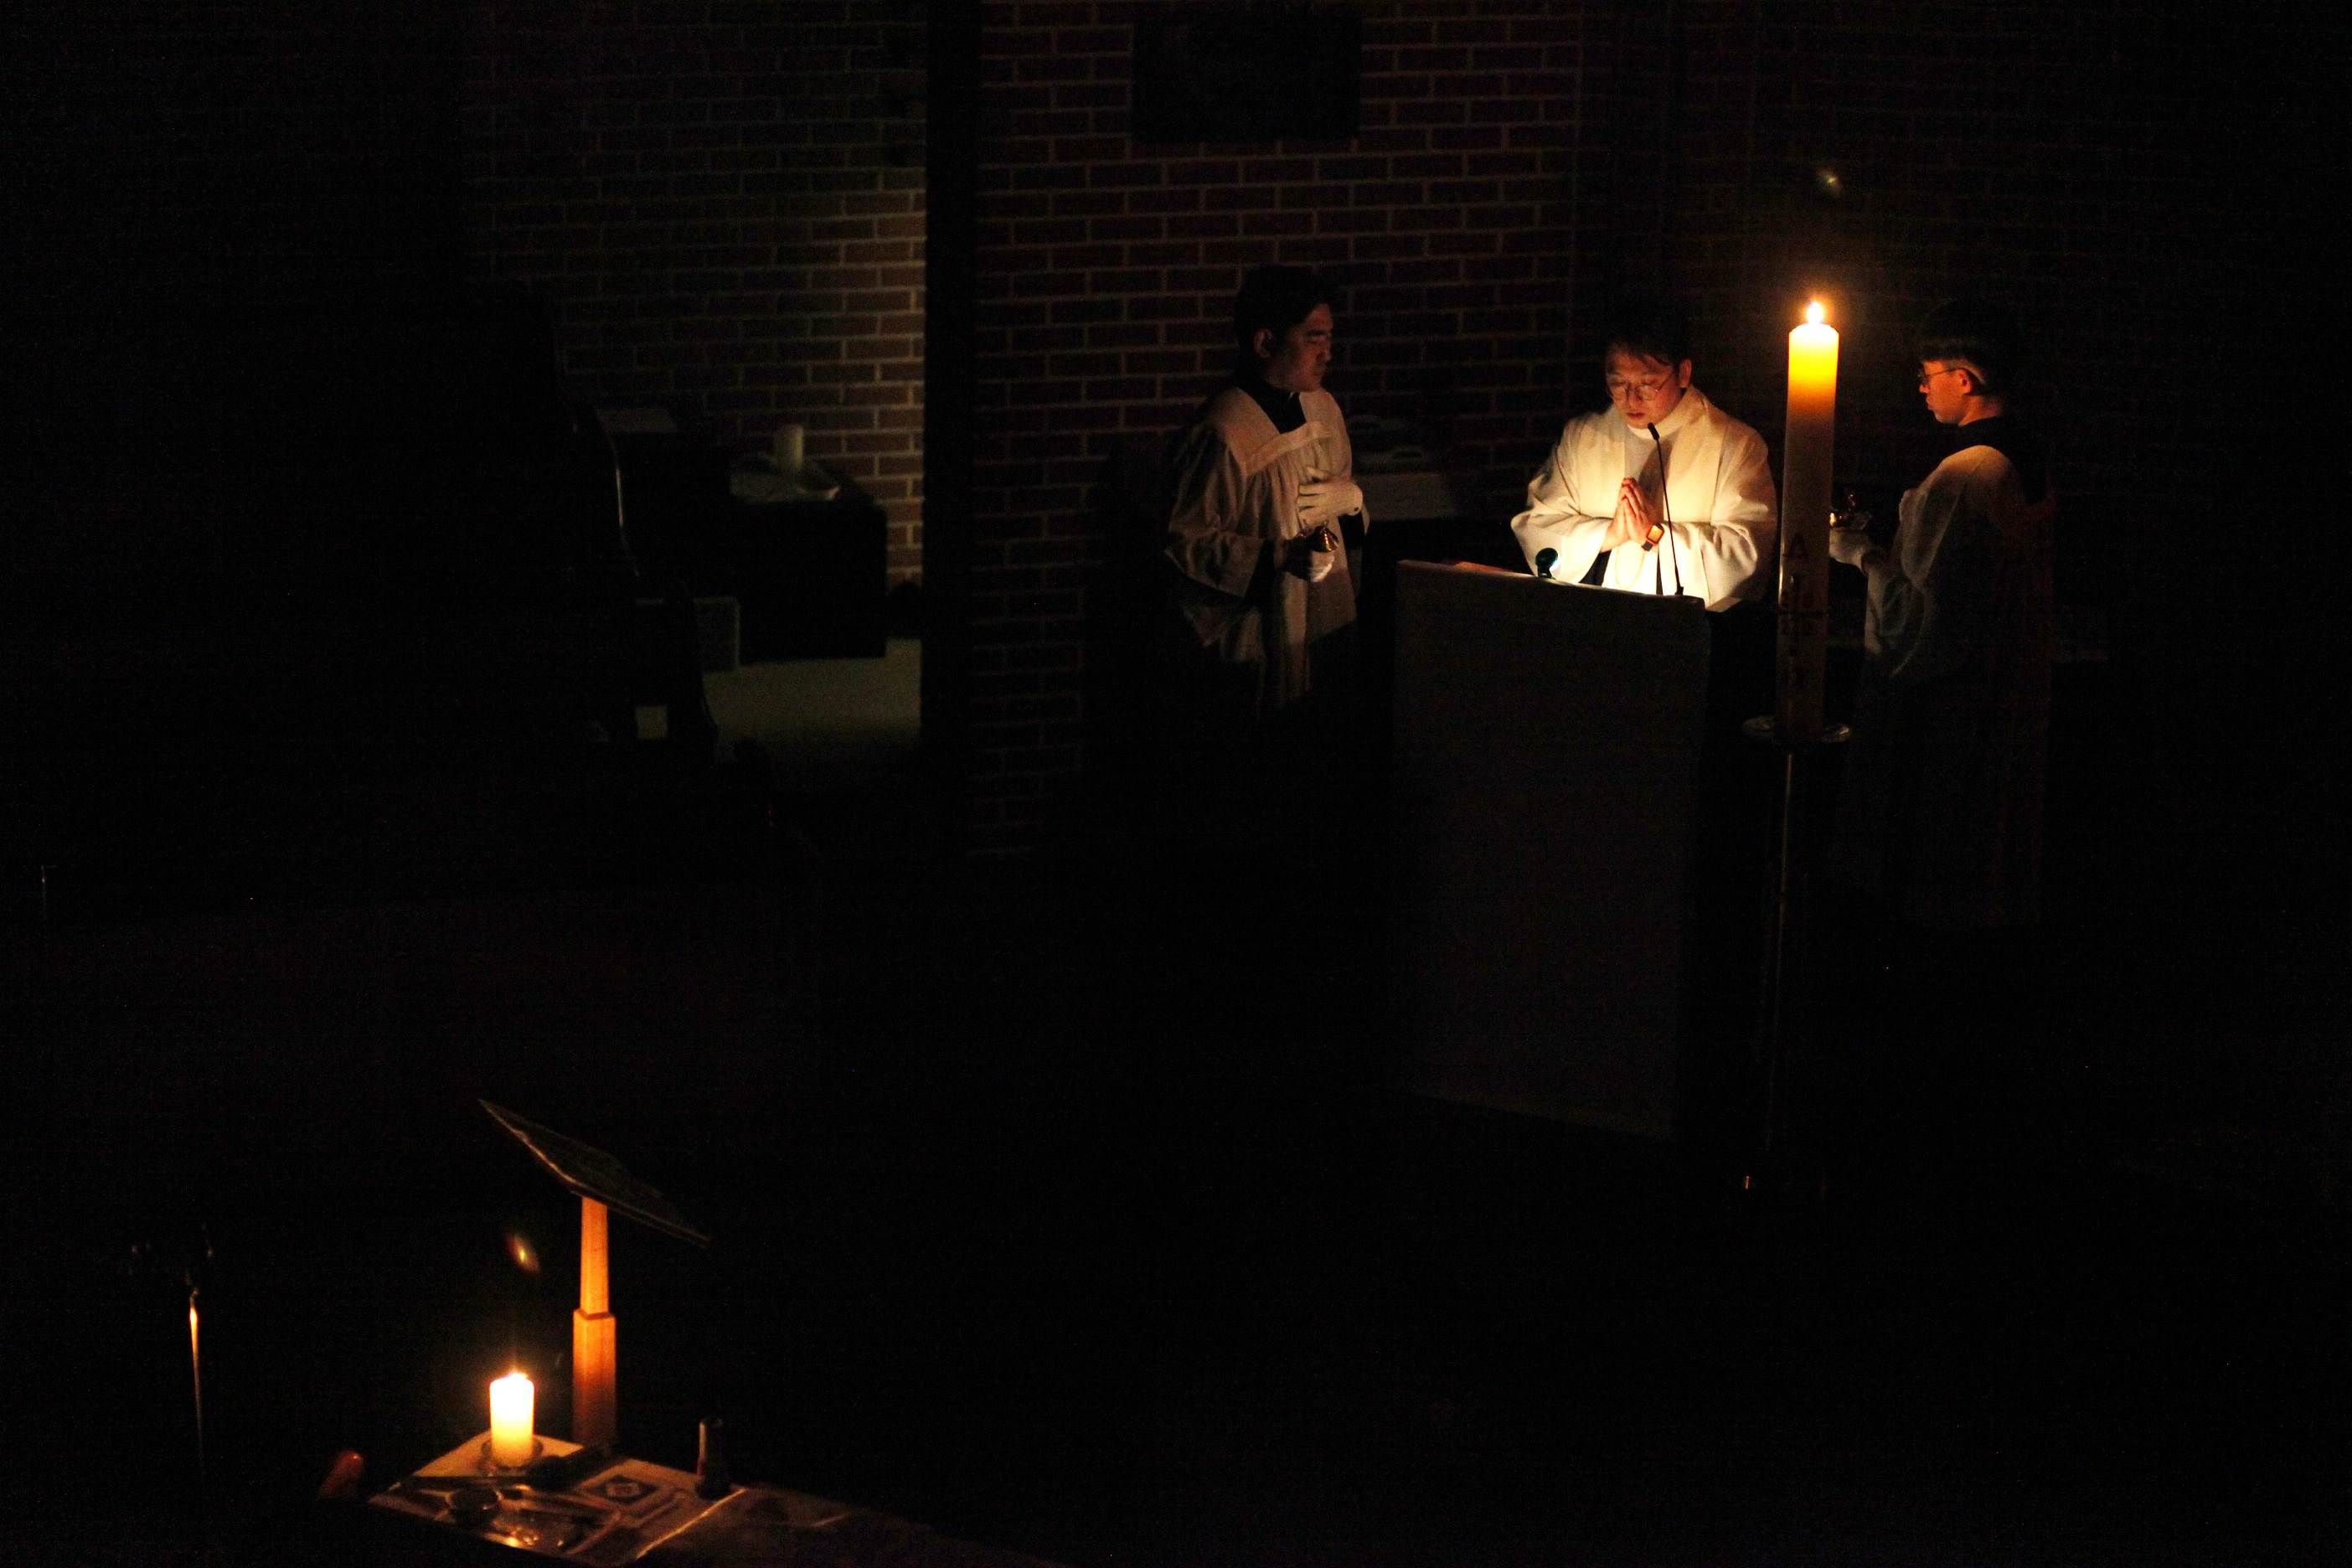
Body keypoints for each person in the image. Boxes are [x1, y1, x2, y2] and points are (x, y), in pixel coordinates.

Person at [1829, 298, 2055, 931]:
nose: (1921, 389)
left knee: (1928, 876)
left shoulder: (1964, 477)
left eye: (1929, 375)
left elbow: (1914, 627)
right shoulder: (2024, 461)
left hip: (1946, 717)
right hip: (2001, 696)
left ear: (1965, 378)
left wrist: (1859, 553)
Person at [1162, 264, 1365, 728]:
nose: (1327, 353)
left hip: (1325, 619)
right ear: (1266, 343)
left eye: (1329, 337)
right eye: (1313, 339)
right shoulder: (1226, 431)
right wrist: (1279, 557)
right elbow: (1184, 544)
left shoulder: (1323, 410)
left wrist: (1352, 504)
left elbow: (1342, 522)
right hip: (1265, 638)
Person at [1510, 303, 1776, 607]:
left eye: (1647, 385)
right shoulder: (1582, 437)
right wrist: (1608, 534)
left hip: (1682, 625)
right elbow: (1538, 529)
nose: (1631, 399)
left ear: (1683, 373)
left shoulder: (1734, 445)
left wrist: (1654, 534)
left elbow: (1745, 554)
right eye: (1618, 384)